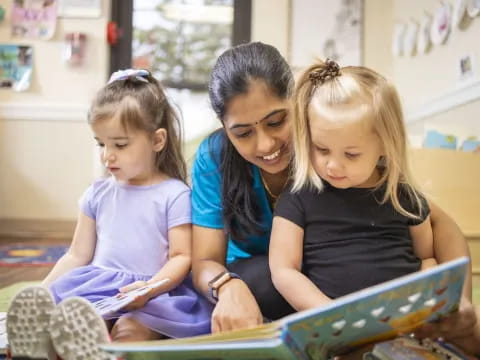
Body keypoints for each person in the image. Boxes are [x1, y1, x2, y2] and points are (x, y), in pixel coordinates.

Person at [190, 42, 479, 350]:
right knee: (257, 278)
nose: (264, 145)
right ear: (224, 127)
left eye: (277, 122)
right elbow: (206, 260)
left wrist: (460, 299)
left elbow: (436, 225)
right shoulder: (215, 158)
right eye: (243, 133)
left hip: (345, 282)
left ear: (299, 105)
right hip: (275, 285)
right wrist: (227, 287)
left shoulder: (326, 143)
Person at [6, 69, 212, 360]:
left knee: (131, 331)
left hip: (148, 293)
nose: (107, 155)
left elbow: (181, 257)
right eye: (101, 144)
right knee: (77, 323)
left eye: (120, 144)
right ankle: (47, 346)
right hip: (98, 288)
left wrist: (151, 288)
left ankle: (111, 353)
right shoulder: (97, 193)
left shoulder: (174, 194)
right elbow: (77, 255)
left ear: (157, 140)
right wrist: (43, 290)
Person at [269, 59, 436, 311]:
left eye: (351, 154)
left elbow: (426, 258)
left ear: (384, 146)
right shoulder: (298, 198)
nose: (333, 165)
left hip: (403, 321)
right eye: (322, 149)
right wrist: (332, 315)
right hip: (333, 328)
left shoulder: (405, 198)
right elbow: (283, 270)